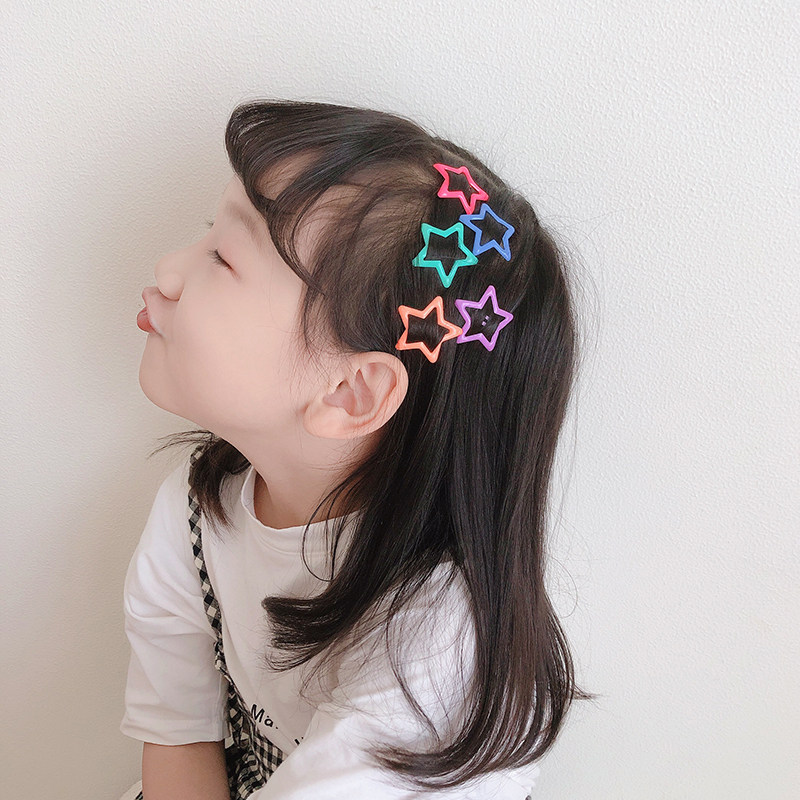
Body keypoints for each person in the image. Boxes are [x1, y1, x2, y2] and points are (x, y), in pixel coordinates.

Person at [119, 100, 593, 800]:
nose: (167, 269)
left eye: (224, 257)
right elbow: (179, 736)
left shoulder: (438, 648)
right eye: (206, 234)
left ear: (350, 392)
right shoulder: (198, 511)